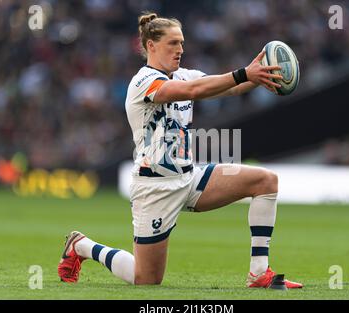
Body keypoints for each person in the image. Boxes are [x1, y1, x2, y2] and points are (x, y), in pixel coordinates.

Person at [58, 12, 303, 290]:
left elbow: (230, 89)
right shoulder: (143, 82)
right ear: (151, 45)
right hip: (155, 187)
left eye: (182, 43)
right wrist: (244, 74)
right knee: (146, 278)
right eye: (173, 43)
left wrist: (259, 76)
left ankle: (259, 273)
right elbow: (195, 90)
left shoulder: (185, 75)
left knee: (265, 181)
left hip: (190, 179)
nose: (181, 50)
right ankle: (83, 246)